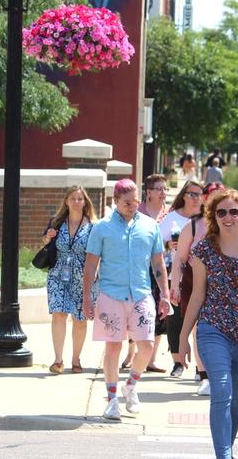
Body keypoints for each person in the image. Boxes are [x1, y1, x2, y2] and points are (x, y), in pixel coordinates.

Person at [179, 188, 238, 459]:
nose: (228, 217)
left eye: (234, 211)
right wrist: (183, 338)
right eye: (222, 212)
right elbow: (197, 296)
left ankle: (226, 448)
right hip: (213, 329)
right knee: (221, 389)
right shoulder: (203, 250)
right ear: (214, 216)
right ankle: (224, 455)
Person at [82, 179, 172, 421]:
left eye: (135, 202)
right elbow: (90, 265)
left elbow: (158, 263)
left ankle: (131, 385)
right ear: (115, 201)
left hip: (141, 294)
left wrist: (165, 295)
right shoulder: (102, 228)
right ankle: (112, 400)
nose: (132, 206)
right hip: (110, 294)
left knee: (147, 346)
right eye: (126, 203)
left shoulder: (150, 226)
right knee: (113, 347)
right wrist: (86, 298)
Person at [170, 183, 225, 396]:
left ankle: (218, 373)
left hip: (222, 283)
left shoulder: (230, 223)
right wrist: (174, 286)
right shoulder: (193, 225)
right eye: (211, 196)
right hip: (193, 281)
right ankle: (204, 377)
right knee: (198, 329)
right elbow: (179, 259)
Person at [44, 186, 98, 374]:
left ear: (85, 202)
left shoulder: (93, 226)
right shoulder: (57, 222)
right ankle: (58, 360)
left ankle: (76, 359)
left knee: (80, 319)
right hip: (58, 273)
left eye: (79, 198)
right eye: (72, 198)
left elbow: (98, 252)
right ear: (66, 201)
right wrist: (48, 237)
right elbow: (46, 243)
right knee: (58, 313)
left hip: (83, 276)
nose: (76, 202)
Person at [125, 174, 171, 372]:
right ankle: (131, 354)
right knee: (135, 310)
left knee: (159, 313)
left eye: (165, 189)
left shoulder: (169, 214)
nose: (163, 193)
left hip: (162, 267)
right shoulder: (138, 213)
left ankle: (151, 359)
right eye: (159, 189)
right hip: (140, 268)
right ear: (148, 192)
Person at [159, 179, 205, 378]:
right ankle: (178, 362)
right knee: (176, 319)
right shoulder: (171, 218)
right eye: (191, 194)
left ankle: (200, 368)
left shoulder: (207, 219)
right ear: (183, 196)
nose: (195, 198)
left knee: (199, 323)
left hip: (199, 277)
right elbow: (156, 244)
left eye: (199, 194)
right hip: (174, 275)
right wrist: (168, 246)